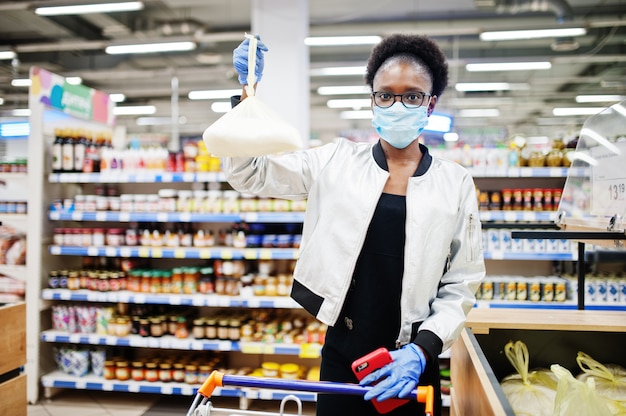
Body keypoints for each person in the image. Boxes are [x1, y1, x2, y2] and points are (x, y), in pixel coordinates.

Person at [224, 33, 485, 416]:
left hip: (411, 362)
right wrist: (247, 96)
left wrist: (422, 350)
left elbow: (462, 282)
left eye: (412, 96)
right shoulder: (336, 161)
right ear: (372, 101)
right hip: (343, 356)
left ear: (430, 105)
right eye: (386, 94)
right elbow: (250, 173)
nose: (398, 104)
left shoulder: (455, 182)